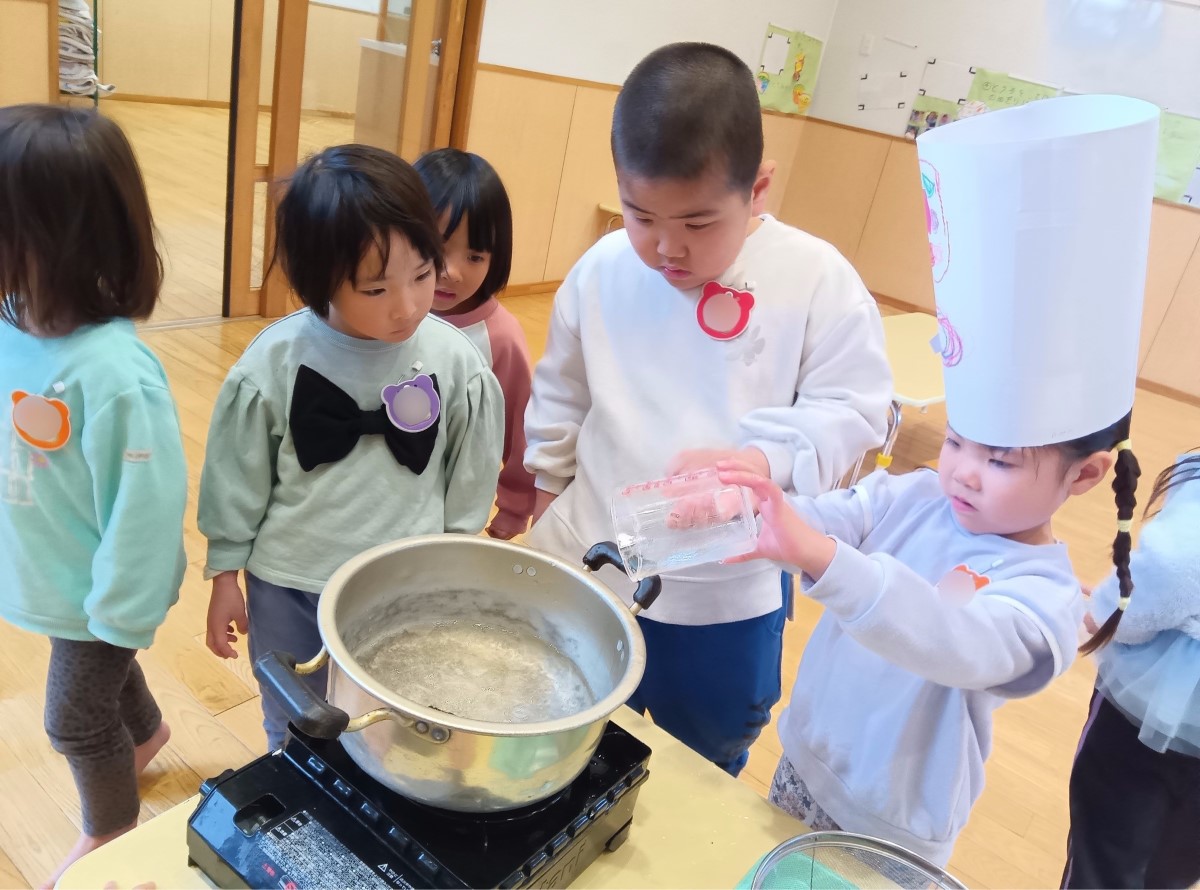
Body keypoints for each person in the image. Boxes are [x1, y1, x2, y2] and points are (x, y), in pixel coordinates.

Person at [717, 93, 1160, 866]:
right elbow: (841, 514)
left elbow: (948, 636)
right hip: (802, 767)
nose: (962, 471)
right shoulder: (919, 494)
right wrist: (760, 506)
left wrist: (818, 557)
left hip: (895, 831)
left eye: (999, 459)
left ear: (1084, 474)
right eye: (957, 440)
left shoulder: (1042, 605)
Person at [523, 42, 893, 775]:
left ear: (758, 188)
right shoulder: (602, 270)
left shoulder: (817, 280)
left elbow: (855, 410)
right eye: (640, 214)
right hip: (596, 556)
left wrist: (761, 461)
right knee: (575, 728)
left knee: (710, 747)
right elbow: (561, 393)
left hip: (730, 588)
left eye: (698, 223)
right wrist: (545, 495)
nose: (666, 248)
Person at [199, 145, 504, 750]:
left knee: (395, 719)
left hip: (403, 580)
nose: (408, 304)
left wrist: (456, 551)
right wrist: (225, 573)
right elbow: (236, 474)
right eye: (375, 288)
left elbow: (471, 469)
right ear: (319, 282)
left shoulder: (453, 359)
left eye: (422, 274)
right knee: (294, 722)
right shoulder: (274, 362)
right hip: (287, 582)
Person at [0, 104, 184, 887]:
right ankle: (144, 734)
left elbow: (147, 506)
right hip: (49, 570)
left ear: (52, 242)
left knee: (73, 717)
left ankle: (112, 827)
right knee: (100, 684)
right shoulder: (13, 324)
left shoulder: (114, 374)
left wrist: (120, 613)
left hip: (100, 591)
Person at [1061, 452, 1200, 889]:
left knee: (1104, 854)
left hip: (1156, 715)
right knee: (1172, 865)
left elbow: (1173, 567)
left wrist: (1108, 611)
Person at [414, 148, 535, 539]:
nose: (451, 271)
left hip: (452, 515)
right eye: (436, 248)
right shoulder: (379, 318)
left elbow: (520, 430)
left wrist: (514, 507)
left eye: (475, 256)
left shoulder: (499, 337)